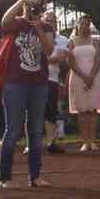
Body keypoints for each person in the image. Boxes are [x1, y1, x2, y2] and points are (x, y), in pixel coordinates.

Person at [0, 0, 54, 187]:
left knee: (36, 132)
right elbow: (4, 22)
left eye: (37, 4)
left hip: (38, 84)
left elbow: (48, 50)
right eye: (30, 3)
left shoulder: (45, 26)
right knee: (12, 130)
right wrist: (22, 0)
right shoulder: (16, 23)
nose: (33, 8)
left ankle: (35, 176)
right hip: (15, 83)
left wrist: (38, 27)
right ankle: (4, 178)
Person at [66, 15, 100, 151]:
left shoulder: (95, 41)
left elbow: (98, 59)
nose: (84, 26)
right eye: (81, 24)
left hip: (94, 78)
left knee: (93, 110)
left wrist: (91, 76)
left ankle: (93, 141)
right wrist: (84, 76)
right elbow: (70, 61)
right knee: (82, 111)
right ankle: (85, 141)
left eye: (86, 24)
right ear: (77, 26)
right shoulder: (71, 42)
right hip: (78, 78)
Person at [40, 10, 68, 153]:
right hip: (34, 79)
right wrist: (49, 59)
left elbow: (60, 58)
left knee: (51, 111)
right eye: (47, 21)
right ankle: (30, 145)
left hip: (52, 79)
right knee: (31, 112)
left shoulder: (62, 40)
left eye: (53, 21)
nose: (50, 23)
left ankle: (51, 142)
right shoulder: (35, 36)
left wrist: (41, 60)